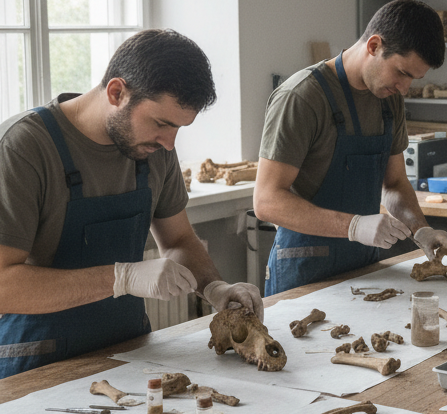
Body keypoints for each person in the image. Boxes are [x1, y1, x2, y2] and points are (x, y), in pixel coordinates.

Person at [0, 30, 263, 379]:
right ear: (116, 92)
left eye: (179, 129)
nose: (169, 144)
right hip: (39, 365)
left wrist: (215, 287)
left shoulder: (153, 149)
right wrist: (120, 278)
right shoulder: (24, 148)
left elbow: (179, 242)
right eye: (161, 123)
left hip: (131, 354)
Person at [255, 0, 447, 295]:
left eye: (414, 80)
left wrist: (422, 231)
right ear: (374, 46)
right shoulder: (301, 97)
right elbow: (266, 202)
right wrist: (354, 226)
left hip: (363, 270)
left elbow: (393, 184)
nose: (405, 89)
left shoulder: (389, 99)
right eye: (402, 73)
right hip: (304, 275)